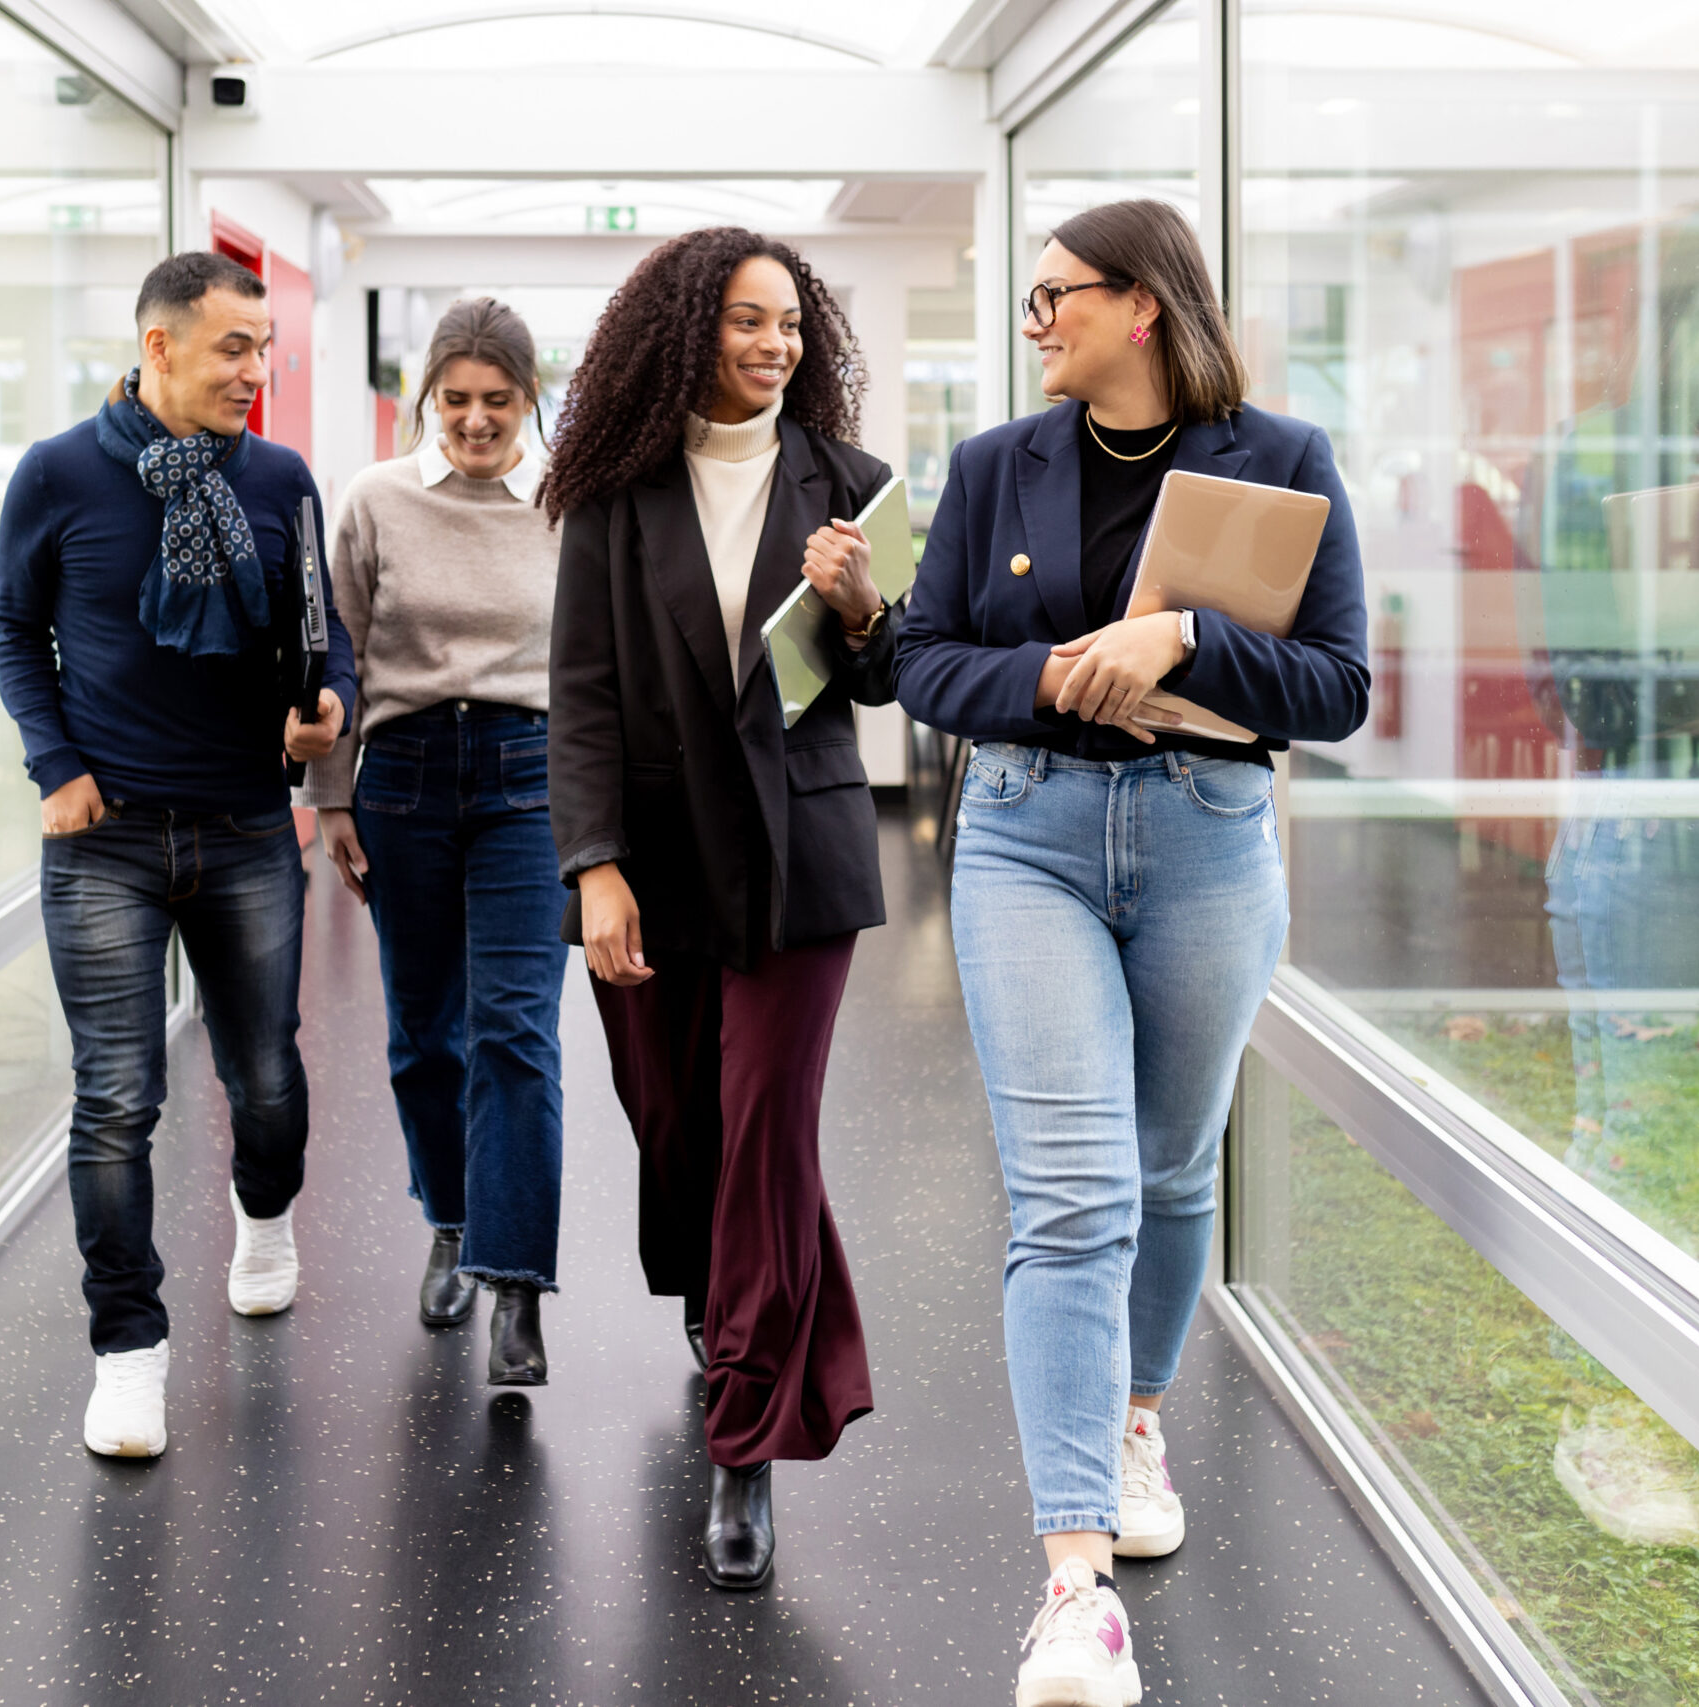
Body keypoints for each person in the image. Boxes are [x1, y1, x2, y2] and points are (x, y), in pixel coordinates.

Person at [895, 198, 1367, 1705]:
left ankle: (1137, 1407)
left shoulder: (1281, 462)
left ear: (1143, 305)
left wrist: (1178, 641)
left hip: (1210, 834)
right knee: (1073, 1190)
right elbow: (920, 658)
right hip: (1028, 832)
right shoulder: (991, 469)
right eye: (1033, 303)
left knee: (1171, 1169)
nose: (1038, 323)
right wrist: (1048, 669)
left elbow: (1341, 685)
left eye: (1057, 299)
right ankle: (1075, 1583)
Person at [545, 227, 901, 1592]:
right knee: (679, 1118)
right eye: (749, 321)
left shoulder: (854, 488)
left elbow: (874, 687)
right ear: (685, 331)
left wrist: (867, 612)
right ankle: (723, 1295)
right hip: (653, 851)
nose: (775, 345)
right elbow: (577, 690)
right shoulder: (613, 490)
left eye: (793, 325)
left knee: (765, 1130)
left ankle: (745, 1432)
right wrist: (595, 865)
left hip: (800, 861)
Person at [0, 251, 354, 1461]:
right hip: (107, 839)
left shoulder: (281, 480)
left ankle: (265, 1218)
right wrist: (57, 767)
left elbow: (324, 636)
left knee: (264, 1082)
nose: (255, 371)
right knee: (116, 1101)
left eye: (263, 349)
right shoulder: (57, 475)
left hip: (250, 826)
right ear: (159, 347)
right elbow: (14, 630)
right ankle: (128, 1348)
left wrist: (328, 708)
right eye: (232, 349)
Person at [304, 298, 567, 1384]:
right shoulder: (375, 500)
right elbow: (336, 653)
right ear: (425, 400)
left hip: (530, 779)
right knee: (425, 1033)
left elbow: (598, 665)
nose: (473, 422)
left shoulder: (568, 500)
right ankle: (451, 1222)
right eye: (453, 401)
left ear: (528, 400)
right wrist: (330, 799)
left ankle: (516, 1288)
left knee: (515, 1032)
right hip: (403, 781)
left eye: (496, 402)